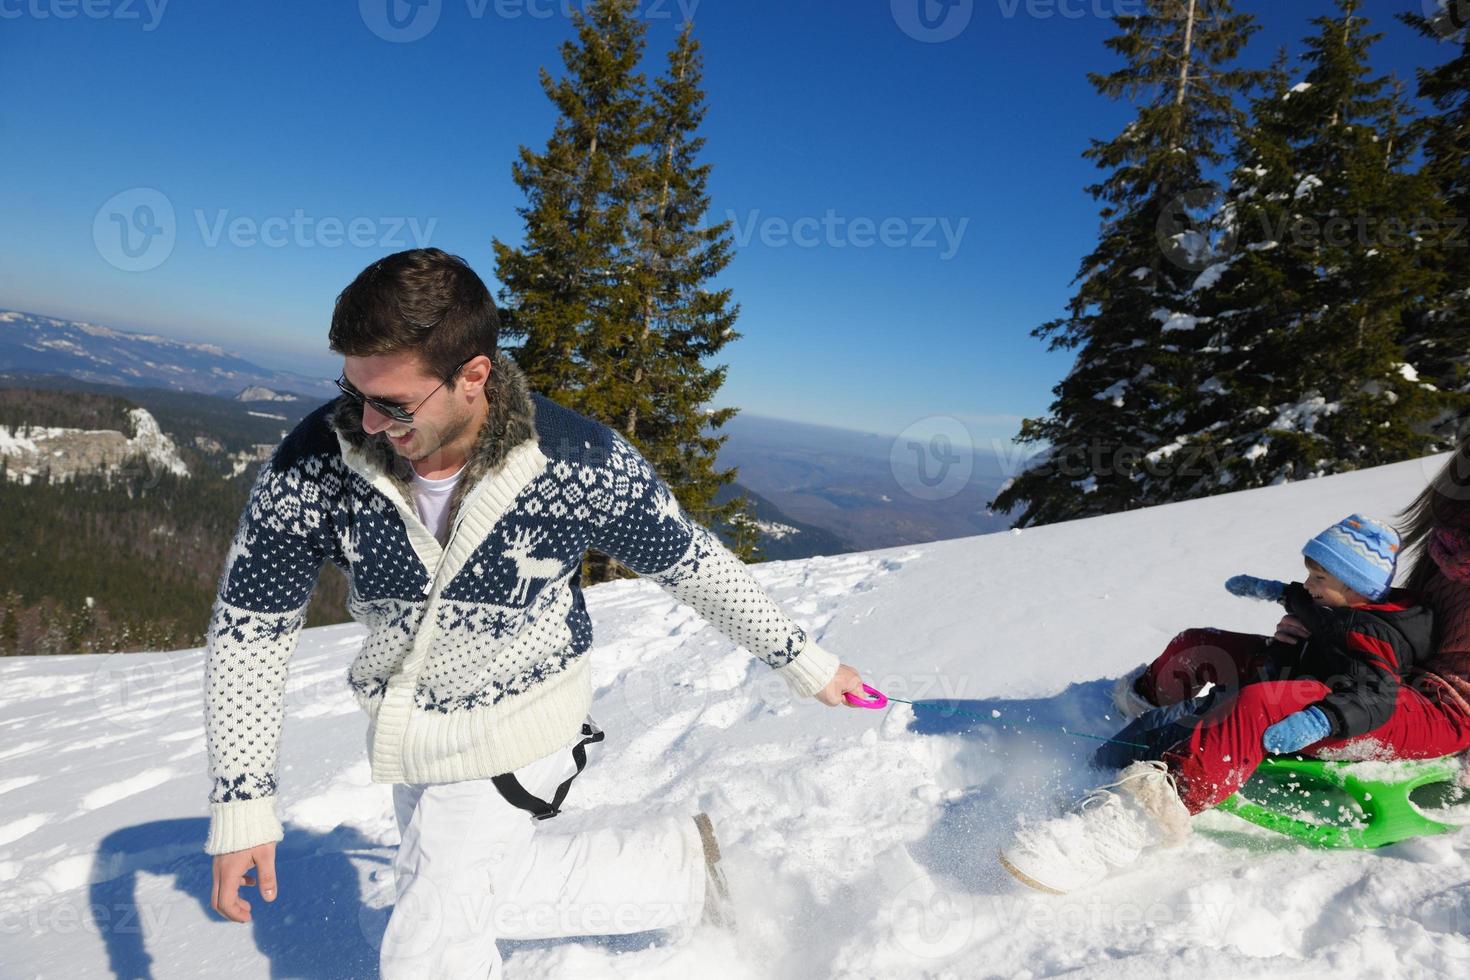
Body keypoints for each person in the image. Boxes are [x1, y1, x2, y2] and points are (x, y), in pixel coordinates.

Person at [202, 248, 868, 976]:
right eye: (352, 390)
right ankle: (682, 869)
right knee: (458, 884)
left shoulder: (577, 463)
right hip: (410, 725)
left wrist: (804, 662)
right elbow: (250, 631)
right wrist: (244, 802)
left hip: (519, 719)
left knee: (428, 950)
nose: (364, 419)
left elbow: (691, 562)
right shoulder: (318, 461)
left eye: (393, 404)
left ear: (474, 375)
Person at [1000, 514, 1439, 895]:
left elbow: (1375, 696)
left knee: (1227, 718)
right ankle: (1096, 776)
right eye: (1310, 573)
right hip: (1282, 679)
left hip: (1305, 703)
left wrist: (1322, 719)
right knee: (1170, 722)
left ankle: (1131, 826)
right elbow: (1309, 604)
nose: (1310, 585)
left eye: (1319, 579)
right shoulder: (1338, 604)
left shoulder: (1374, 635)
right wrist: (1274, 591)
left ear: (1356, 588)